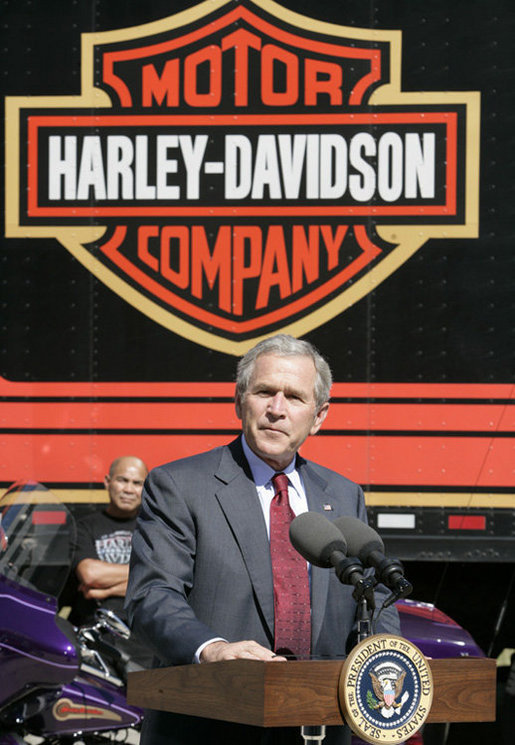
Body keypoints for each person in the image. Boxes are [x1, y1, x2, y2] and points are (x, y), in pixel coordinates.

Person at [126, 335, 400, 745]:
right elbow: (152, 596)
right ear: (240, 401)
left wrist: (393, 655)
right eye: (264, 392)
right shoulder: (178, 486)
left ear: (319, 415)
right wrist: (213, 649)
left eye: (293, 397)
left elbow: (371, 596)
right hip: (210, 724)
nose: (276, 409)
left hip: (322, 725)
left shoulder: (344, 495)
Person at [69, 455, 153, 667]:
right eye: (122, 480)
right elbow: (90, 574)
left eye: (137, 483)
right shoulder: (84, 526)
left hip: (143, 639)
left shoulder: (155, 528)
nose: (128, 489)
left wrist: (105, 590)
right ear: (108, 482)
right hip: (97, 636)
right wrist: (144, 574)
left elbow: (165, 578)